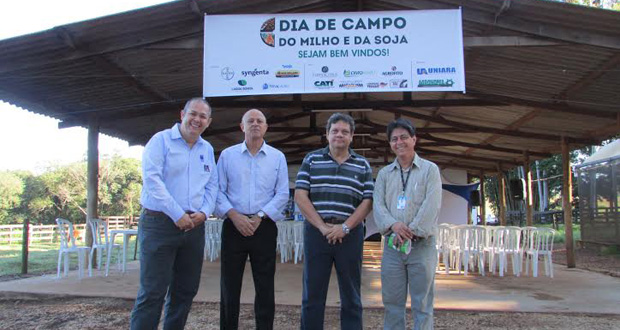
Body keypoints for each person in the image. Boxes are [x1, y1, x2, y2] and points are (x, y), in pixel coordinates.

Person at [130, 98, 218, 330]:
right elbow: (152, 180)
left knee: (185, 290)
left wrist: (204, 212)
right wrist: (177, 213)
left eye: (203, 116)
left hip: (194, 227)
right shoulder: (160, 141)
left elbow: (212, 186)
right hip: (160, 223)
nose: (197, 120)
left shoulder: (206, 149)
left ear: (208, 122)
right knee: (152, 292)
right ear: (182, 114)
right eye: (193, 114)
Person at [295, 113, 374, 330]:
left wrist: (345, 227)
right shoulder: (311, 159)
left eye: (345, 132)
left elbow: (367, 201)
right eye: (335, 131)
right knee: (312, 293)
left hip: (350, 235)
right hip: (316, 233)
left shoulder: (362, 165)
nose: (340, 135)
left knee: (351, 294)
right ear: (326, 134)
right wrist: (322, 226)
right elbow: (300, 196)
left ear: (352, 136)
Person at [216, 109, 289, 330]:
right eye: (251, 121)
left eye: (260, 121)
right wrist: (234, 215)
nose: (255, 124)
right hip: (233, 225)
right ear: (242, 126)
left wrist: (259, 216)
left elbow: (283, 193)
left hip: (264, 226)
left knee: (265, 285)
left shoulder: (277, 157)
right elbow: (217, 191)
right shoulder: (228, 155)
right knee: (229, 285)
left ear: (266, 127)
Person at [373, 118, 442, 330]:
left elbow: (432, 205)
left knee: (422, 303)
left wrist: (410, 231)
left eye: (404, 137)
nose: (399, 142)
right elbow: (378, 204)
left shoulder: (430, 170)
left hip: (422, 245)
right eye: (394, 139)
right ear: (390, 144)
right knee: (392, 303)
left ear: (414, 139)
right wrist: (394, 225)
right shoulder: (384, 174)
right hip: (393, 247)